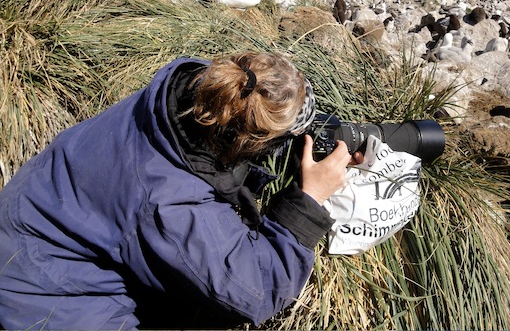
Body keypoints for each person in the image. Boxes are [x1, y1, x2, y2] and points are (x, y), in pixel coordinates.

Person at [0, 52, 362, 329]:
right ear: (250, 142)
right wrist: (309, 199)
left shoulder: (190, 93)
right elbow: (259, 290)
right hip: (44, 295)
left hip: (31, 219)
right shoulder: (168, 201)